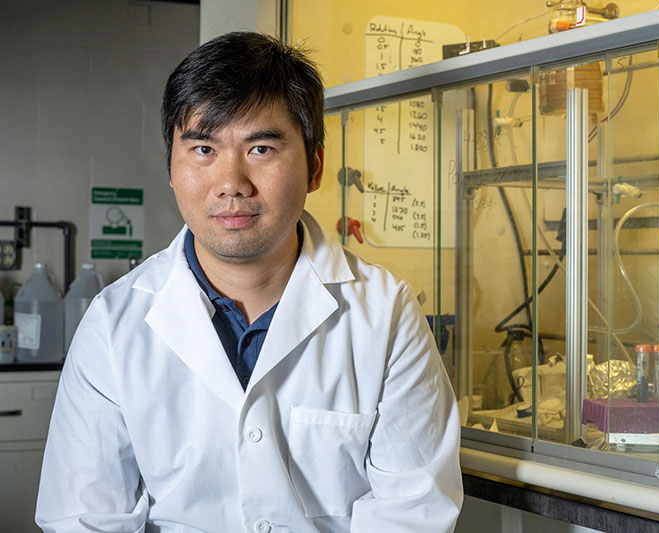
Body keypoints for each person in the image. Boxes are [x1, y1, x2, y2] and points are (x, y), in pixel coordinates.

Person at [36, 32, 463, 533]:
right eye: (203, 148)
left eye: (261, 148)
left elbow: (411, 513)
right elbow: (85, 518)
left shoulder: (386, 313)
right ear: (171, 168)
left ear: (315, 167)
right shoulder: (113, 324)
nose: (231, 183)